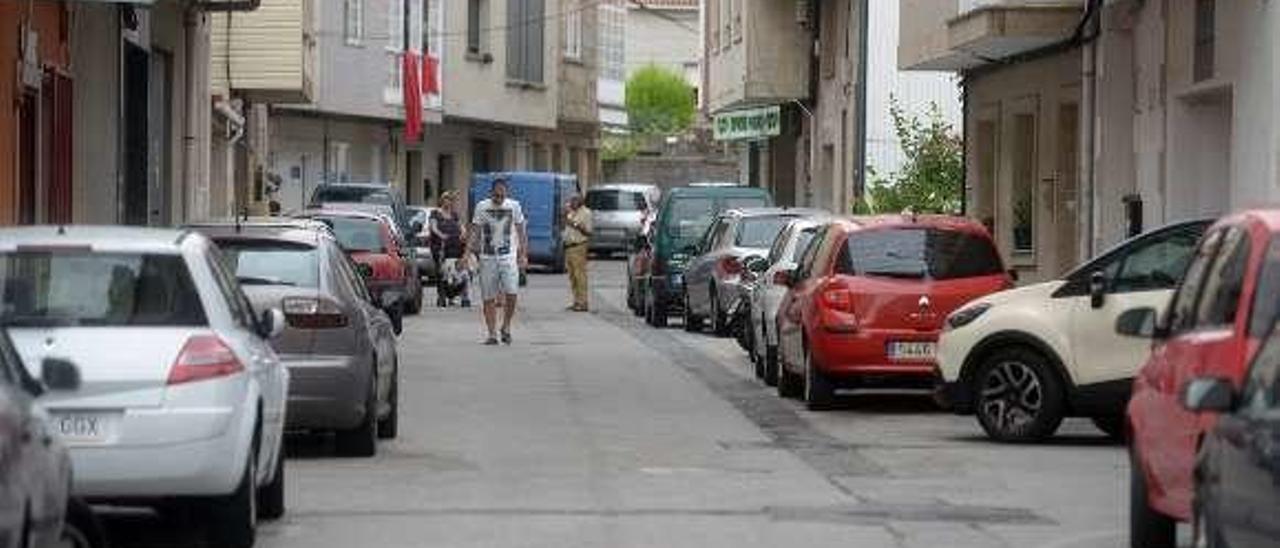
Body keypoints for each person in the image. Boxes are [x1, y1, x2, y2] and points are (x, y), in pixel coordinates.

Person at [470, 178, 528, 345]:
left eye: (502, 195)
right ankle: (492, 334)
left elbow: (521, 231)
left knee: (512, 292)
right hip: (487, 257)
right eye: (496, 195)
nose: (499, 198)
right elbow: (474, 231)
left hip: (508, 256)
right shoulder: (482, 206)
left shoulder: (514, 206)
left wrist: (523, 254)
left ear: (506, 193)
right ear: (491, 193)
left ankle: (506, 326)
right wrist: (466, 254)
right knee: (488, 297)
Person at [430, 191, 469, 307]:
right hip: (440, 246)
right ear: (442, 200)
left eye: (450, 200)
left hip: (455, 245)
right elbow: (433, 227)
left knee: (460, 270)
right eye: (446, 199)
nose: (448, 202)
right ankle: (442, 296)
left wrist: (463, 233)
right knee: (441, 272)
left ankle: (462, 295)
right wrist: (440, 234)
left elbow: (461, 226)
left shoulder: (454, 214)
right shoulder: (435, 213)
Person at [562, 195, 593, 312]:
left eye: (574, 200)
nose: (571, 203)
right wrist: (565, 215)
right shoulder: (571, 212)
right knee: (572, 276)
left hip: (579, 246)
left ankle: (583, 302)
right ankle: (576, 301)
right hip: (569, 247)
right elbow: (566, 224)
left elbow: (588, 232)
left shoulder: (586, 213)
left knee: (580, 275)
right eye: (571, 200)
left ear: (580, 201)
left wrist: (573, 224)